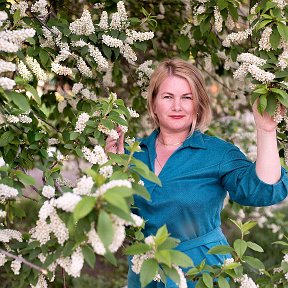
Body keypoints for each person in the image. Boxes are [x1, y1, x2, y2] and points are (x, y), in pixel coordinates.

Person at [105, 58, 288, 288]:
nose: (177, 106)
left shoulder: (217, 153)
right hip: (146, 274)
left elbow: (263, 190)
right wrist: (111, 166)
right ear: (153, 104)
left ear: (198, 104)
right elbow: (112, 220)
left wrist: (266, 129)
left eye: (187, 97)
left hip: (203, 273)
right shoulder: (133, 153)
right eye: (168, 97)